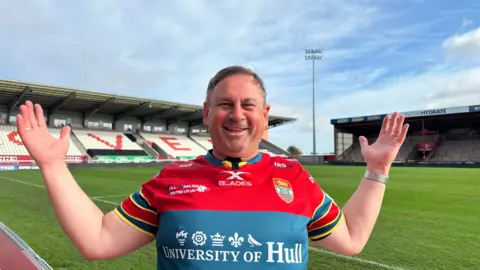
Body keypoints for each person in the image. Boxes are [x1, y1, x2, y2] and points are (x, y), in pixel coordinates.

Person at [16, 66, 409, 269]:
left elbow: (352, 239)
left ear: (265, 116)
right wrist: (53, 165)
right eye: (224, 104)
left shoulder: (295, 178)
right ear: (206, 113)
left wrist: (377, 172)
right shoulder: (170, 180)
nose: (236, 115)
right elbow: (98, 241)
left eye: (248, 105)